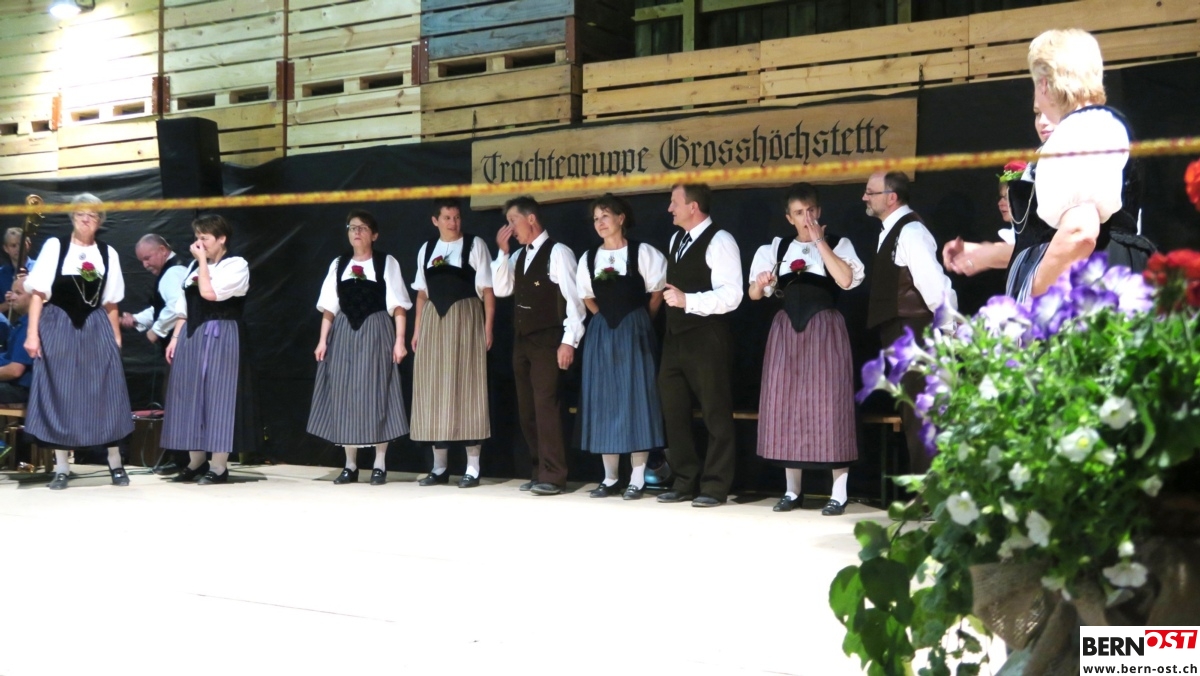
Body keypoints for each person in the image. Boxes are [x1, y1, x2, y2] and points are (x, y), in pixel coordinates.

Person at [748, 183, 864, 515]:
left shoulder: (839, 244)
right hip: (787, 330)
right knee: (786, 405)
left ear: (819, 210)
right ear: (789, 217)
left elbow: (846, 280)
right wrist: (761, 283)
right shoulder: (777, 248)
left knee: (830, 405)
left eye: (810, 210)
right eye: (799, 213)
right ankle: (791, 490)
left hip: (824, 329)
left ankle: (838, 492)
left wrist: (819, 242)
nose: (806, 217)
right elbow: (754, 295)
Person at [1016, 28, 1154, 300]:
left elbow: (1080, 232)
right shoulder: (1095, 124)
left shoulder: (1083, 128)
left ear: (1044, 83)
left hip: (1093, 282)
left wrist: (1033, 293)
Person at [24, 193, 134, 490]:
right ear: (73, 217)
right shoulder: (55, 246)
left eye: (92, 215)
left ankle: (115, 463)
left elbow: (111, 302)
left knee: (107, 392)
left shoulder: (107, 253)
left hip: (96, 326)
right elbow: (38, 294)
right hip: (58, 324)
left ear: (100, 221)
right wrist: (32, 334)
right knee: (60, 392)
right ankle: (62, 467)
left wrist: (116, 337)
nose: (86, 219)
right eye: (81, 214)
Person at [307, 209, 411, 485]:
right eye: (352, 227)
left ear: (374, 235)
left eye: (362, 227)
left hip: (376, 330)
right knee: (344, 394)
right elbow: (329, 307)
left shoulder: (386, 262)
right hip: (344, 332)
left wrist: (400, 341)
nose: (356, 232)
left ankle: (379, 464)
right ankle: (350, 464)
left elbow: (399, 305)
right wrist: (322, 340)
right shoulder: (339, 264)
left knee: (378, 392)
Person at [863, 171, 956, 475]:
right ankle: (928, 490)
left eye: (870, 192)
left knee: (923, 417)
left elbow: (936, 287)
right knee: (913, 415)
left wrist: (949, 332)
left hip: (917, 335)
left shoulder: (911, 232)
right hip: (902, 335)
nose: (864, 197)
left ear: (891, 198)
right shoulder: (893, 230)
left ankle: (934, 492)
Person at [657, 183, 743, 508]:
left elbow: (732, 294)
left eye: (674, 202)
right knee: (674, 410)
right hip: (676, 337)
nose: (669, 209)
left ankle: (715, 485)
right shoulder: (676, 239)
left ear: (693, 207)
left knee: (715, 412)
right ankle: (684, 480)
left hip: (707, 336)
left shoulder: (721, 241)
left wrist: (688, 301)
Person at [492, 195, 585, 496]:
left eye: (513, 221)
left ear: (530, 218)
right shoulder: (518, 256)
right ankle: (538, 469)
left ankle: (554, 475)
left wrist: (568, 342)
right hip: (522, 340)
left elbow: (574, 301)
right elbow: (502, 288)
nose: (510, 228)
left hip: (548, 339)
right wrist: (503, 253)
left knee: (547, 407)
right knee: (527, 409)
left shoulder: (558, 252)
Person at [575, 194, 666, 500]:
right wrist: (603, 318)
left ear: (620, 218)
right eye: (596, 219)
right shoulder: (589, 258)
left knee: (636, 399)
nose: (600, 223)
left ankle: (637, 478)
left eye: (605, 216)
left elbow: (656, 292)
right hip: (603, 333)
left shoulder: (643, 253)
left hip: (635, 330)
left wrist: (639, 320)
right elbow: (586, 296)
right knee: (604, 400)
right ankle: (610, 477)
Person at [161, 214, 255, 485]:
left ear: (221, 239)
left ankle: (219, 466)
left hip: (221, 334)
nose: (199, 243)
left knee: (218, 398)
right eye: (197, 238)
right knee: (191, 397)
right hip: (193, 335)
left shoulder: (235, 264)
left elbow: (209, 293)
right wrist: (175, 338)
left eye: (205, 238)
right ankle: (196, 461)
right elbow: (184, 308)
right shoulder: (193, 266)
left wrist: (202, 261)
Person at [410, 198, 493, 488]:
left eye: (457, 217)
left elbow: (488, 290)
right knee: (434, 389)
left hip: (466, 318)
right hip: (434, 321)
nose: (453, 223)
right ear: (436, 221)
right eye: (447, 218)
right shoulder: (426, 249)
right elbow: (422, 293)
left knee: (468, 388)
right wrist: (417, 329)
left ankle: (472, 467)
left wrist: (488, 328)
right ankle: (439, 467)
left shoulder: (474, 245)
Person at [941, 161, 1028, 279]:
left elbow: (1025, 253)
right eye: (1000, 197)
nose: (1000, 203)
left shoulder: (1042, 232)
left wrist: (981, 254)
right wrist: (968, 249)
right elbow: (1008, 252)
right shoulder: (1016, 234)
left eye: (1007, 197)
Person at [118, 234, 188, 344]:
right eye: (142, 261)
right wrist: (136, 319)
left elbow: (176, 306)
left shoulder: (173, 272)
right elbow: (162, 308)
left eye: (147, 258)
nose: (145, 265)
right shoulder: (173, 268)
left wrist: (156, 330)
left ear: (162, 250)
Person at [0, 276, 35, 403]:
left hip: (19, 389)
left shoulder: (30, 326)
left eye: (18, 293)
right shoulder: (22, 323)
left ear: (33, 297)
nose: (12, 297)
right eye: (12, 292)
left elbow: (15, 371)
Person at [0, 226, 36, 317]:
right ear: (6, 248)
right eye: (13, 245)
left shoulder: (39, 268)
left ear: (28, 245)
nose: (18, 249)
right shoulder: (1, 274)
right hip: (9, 324)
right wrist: (8, 304)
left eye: (21, 244)